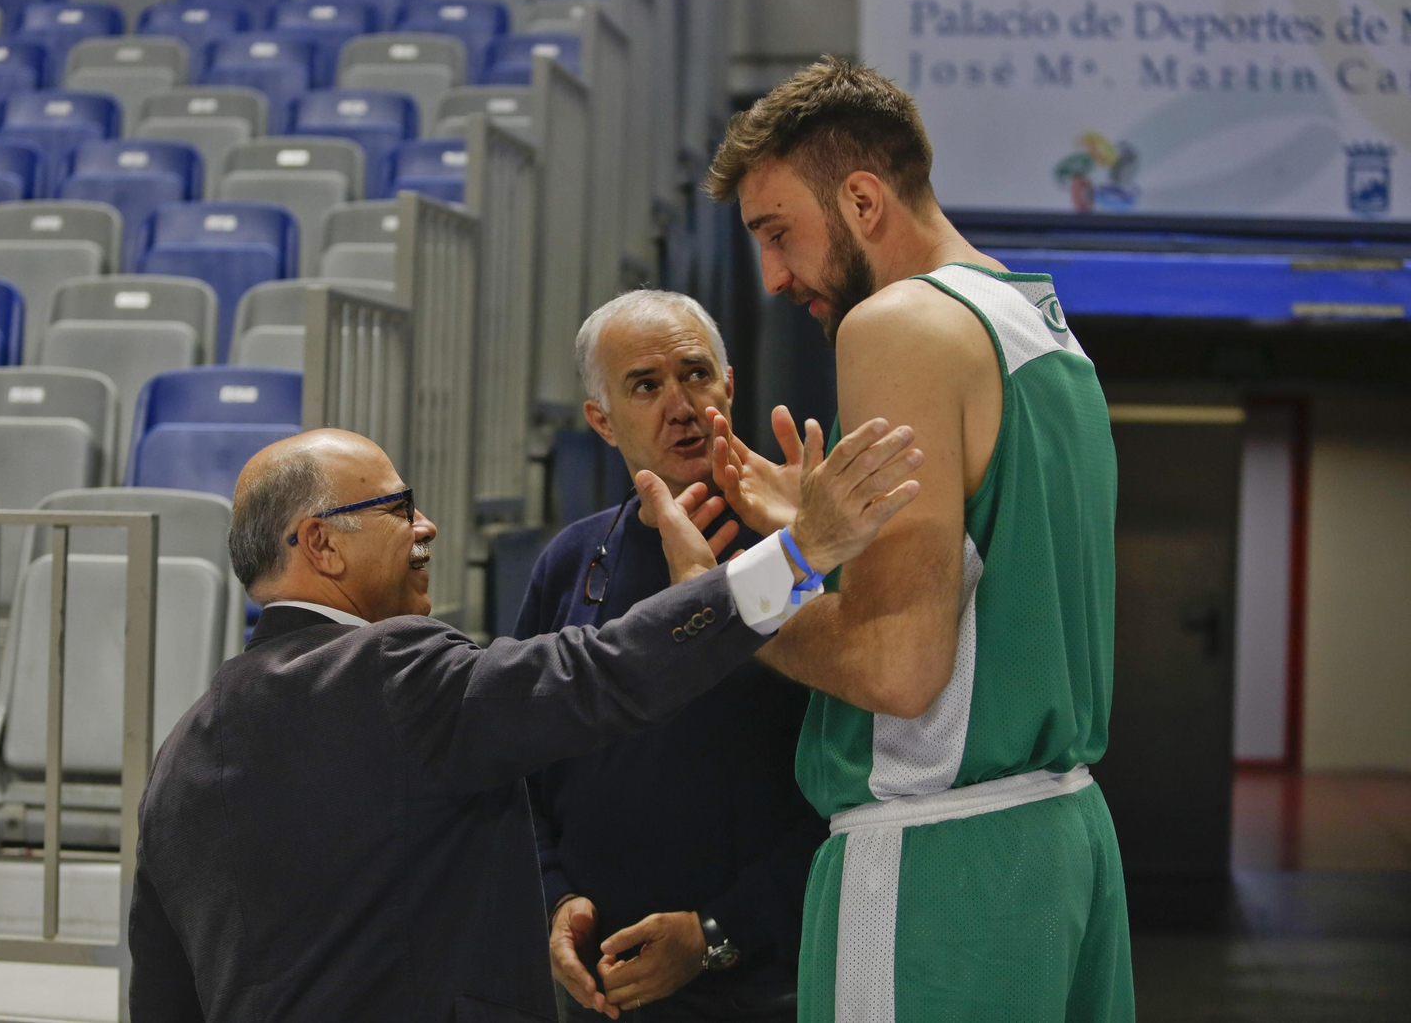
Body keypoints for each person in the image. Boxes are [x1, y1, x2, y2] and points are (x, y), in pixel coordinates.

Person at [127, 422, 923, 1022]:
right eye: (399, 508)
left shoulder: (181, 753)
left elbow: (160, 997)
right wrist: (796, 555)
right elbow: (604, 670)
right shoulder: (388, 671)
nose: (426, 526)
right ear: (320, 546)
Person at [702, 56, 1134, 1022]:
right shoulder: (1043, 328)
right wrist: (823, 528)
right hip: (1064, 847)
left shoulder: (898, 323)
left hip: (940, 872)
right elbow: (989, 576)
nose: (774, 278)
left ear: (861, 199)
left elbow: (899, 670)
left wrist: (734, 592)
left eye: (780, 235)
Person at [517, 290, 825, 1022]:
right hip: (602, 989)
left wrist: (717, 934)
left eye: (695, 374)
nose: (679, 404)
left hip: (764, 983)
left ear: (729, 384)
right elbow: (522, 769)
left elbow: (857, 781)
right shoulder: (571, 560)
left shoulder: (804, 552)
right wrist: (553, 899)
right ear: (601, 419)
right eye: (646, 386)